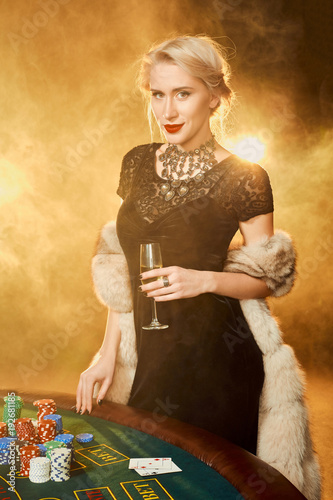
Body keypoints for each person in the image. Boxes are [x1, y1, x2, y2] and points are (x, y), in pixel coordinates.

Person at [76, 34, 274, 455]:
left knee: (205, 482)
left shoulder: (246, 176)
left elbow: (265, 279)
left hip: (215, 358)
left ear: (215, 97)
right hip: (147, 354)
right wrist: (106, 353)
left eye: (183, 94)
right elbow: (127, 269)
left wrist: (203, 279)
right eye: (158, 95)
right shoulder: (136, 162)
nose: (168, 110)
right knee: (142, 472)